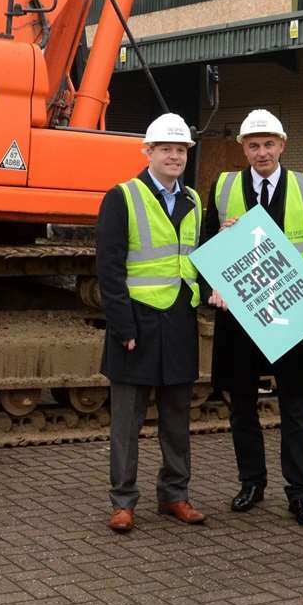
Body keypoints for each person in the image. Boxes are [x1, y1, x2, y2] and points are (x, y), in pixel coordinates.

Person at [204, 109, 303, 527]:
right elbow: (205, 247)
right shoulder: (222, 187)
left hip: (288, 314)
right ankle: (251, 483)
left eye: (268, 144)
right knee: (242, 405)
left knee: (294, 405)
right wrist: (215, 279)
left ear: (282, 145)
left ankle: (300, 492)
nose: (262, 152)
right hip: (239, 316)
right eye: (253, 145)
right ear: (244, 147)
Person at [95, 112, 209, 534]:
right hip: (137, 324)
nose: (175, 156)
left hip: (179, 320)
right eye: (167, 149)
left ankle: (174, 495)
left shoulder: (194, 201)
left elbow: (196, 258)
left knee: (178, 417)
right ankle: (123, 502)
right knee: (127, 421)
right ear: (149, 152)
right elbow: (108, 269)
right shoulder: (122, 197)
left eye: (181, 150)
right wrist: (123, 328)